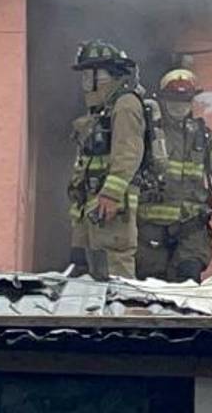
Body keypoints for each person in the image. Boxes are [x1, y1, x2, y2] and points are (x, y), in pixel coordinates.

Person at [137, 68, 212, 282]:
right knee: (152, 285)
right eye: (174, 100)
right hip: (152, 228)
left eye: (185, 100)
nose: (179, 106)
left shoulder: (202, 135)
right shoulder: (149, 133)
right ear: (163, 100)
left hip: (192, 225)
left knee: (189, 277)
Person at [67, 40, 145, 280]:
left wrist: (111, 194)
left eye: (87, 76)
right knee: (87, 273)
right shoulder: (102, 110)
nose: (84, 84)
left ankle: (122, 306)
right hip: (92, 205)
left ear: (102, 75)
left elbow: (128, 152)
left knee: (114, 269)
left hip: (112, 206)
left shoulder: (125, 105)